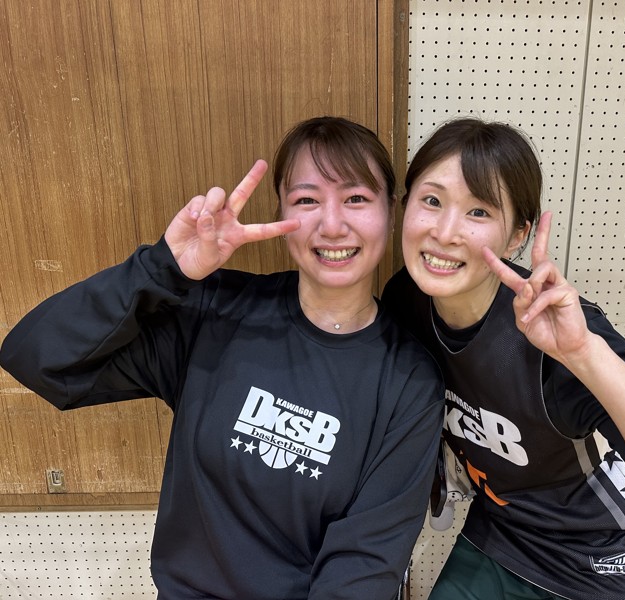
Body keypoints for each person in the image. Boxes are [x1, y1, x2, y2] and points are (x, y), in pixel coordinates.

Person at [0, 116, 445, 600]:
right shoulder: (217, 311)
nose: (332, 225)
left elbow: (364, 567)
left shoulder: (409, 380)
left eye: (356, 198)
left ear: (391, 211)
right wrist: (163, 268)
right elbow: (38, 358)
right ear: (280, 211)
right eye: (307, 200)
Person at [382, 117, 625, 600]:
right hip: (501, 532)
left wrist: (583, 354)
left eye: (478, 211)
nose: (444, 232)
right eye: (432, 201)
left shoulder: (554, 331)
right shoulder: (405, 299)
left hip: (600, 556)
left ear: (517, 236)